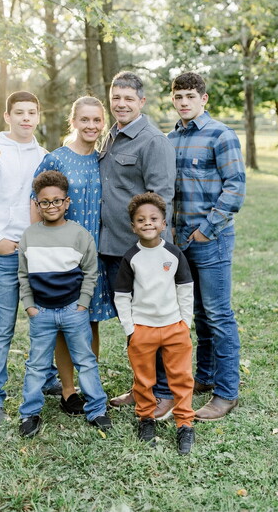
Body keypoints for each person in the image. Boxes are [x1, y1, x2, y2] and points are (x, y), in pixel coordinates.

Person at [0, 91, 61, 426]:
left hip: (38, 255)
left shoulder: (45, 156)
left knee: (44, 322)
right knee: (1, 329)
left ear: (38, 116)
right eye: (19, 113)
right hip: (5, 255)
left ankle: (47, 380)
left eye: (32, 113)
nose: (26, 119)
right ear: (7, 117)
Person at [98, 71, 177, 420]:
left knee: (152, 324)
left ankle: (162, 393)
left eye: (129, 98)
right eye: (116, 97)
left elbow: (162, 201)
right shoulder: (110, 137)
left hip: (141, 253)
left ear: (141, 102)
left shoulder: (153, 141)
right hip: (112, 247)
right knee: (132, 325)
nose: (121, 104)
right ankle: (141, 387)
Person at [168, 71, 246, 421]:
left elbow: (235, 188)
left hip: (210, 240)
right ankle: (206, 375)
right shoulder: (170, 138)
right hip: (180, 241)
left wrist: (206, 230)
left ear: (204, 98)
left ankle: (226, 393)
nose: (183, 102)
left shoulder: (221, 135)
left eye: (189, 96)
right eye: (178, 96)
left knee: (218, 315)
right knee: (198, 314)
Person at [32, 96, 115, 416]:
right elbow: (36, 201)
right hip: (61, 256)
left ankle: (87, 384)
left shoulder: (103, 159)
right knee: (65, 324)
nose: (91, 126)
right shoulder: (57, 159)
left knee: (90, 321)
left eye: (97, 120)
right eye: (85, 120)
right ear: (74, 121)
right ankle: (68, 391)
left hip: (94, 253)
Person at [17, 170, 111, 437]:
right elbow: (23, 274)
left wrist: (83, 303)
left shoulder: (79, 234)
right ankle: (29, 414)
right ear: (37, 204)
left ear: (67, 202)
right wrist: (30, 306)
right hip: (41, 312)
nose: (51, 206)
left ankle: (97, 410)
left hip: (73, 310)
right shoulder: (29, 236)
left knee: (86, 361)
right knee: (36, 364)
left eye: (57, 201)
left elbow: (91, 272)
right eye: (45, 202)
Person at [114, 193, 195, 455]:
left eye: (153, 219)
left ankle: (185, 423)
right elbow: (122, 296)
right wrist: (130, 329)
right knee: (143, 379)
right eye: (141, 220)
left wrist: (185, 323)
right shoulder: (131, 257)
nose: (147, 223)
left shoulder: (173, 254)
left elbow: (185, 289)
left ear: (163, 223)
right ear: (133, 227)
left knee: (181, 377)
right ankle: (146, 419)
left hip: (174, 327)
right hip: (143, 329)